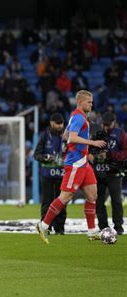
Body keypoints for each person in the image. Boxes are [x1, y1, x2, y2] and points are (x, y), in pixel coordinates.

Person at [36, 90, 107, 244]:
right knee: (65, 197)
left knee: (92, 194)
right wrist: (92, 143)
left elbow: (67, 135)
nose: (91, 104)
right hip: (75, 164)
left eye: (91, 101)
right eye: (89, 102)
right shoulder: (79, 117)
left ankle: (91, 231)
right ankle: (43, 225)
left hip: (83, 162)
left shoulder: (78, 116)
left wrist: (83, 151)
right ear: (80, 102)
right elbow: (72, 137)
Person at [91, 112, 127, 235]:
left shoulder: (120, 134)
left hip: (114, 172)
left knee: (116, 200)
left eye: (108, 125)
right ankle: (103, 227)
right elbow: (89, 149)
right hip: (99, 172)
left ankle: (118, 227)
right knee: (99, 201)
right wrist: (93, 155)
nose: (106, 127)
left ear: (114, 122)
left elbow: (125, 152)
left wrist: (110, 155)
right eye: (104, 124)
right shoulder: (96, 134)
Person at [34, 113, 67, 234]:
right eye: (57, 124)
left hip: (62, 175)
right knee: (47, 202)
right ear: (51, 123)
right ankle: (46, 227)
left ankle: (60, 228)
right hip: (47, 175)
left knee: (62, 202)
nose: (60, 126)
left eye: (61, 124)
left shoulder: (67, 136)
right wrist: (45, 157)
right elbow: (36, 155)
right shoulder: (44, 136)